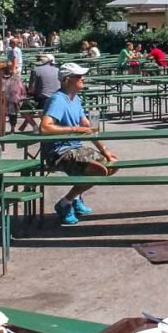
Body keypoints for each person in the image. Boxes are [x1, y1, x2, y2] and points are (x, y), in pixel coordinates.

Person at [39, 63, 119, 225]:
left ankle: (74, 199)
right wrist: (74, 129)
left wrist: (104, 150)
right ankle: (65, 203)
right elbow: (45, 127)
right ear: (68, 80)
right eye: (79, 76)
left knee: (112, 164)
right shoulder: (58, 100)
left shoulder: (76, 99)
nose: (83, 78)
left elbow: (88, 127)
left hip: (76, 147)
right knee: (98, 170)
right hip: (59, 151)